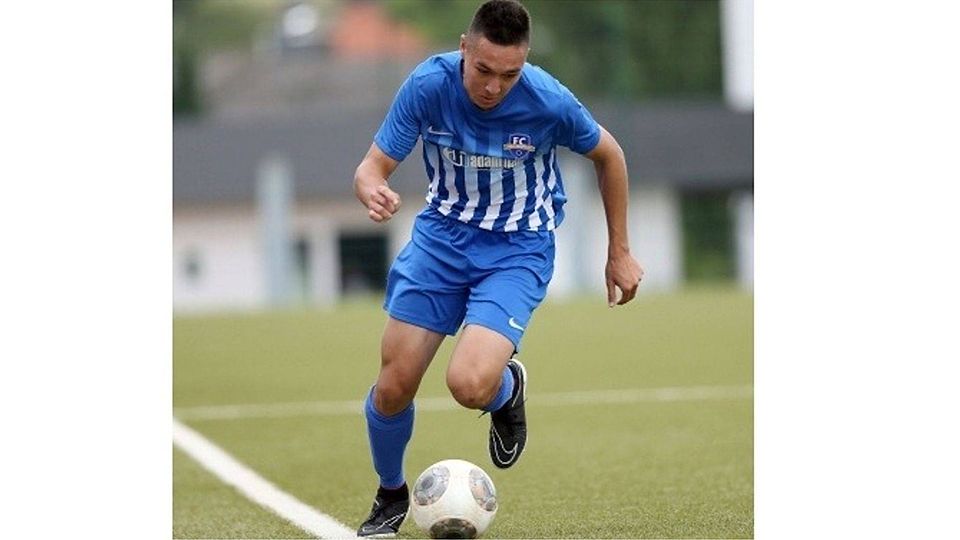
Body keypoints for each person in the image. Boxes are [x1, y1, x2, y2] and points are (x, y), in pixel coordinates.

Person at [352, 0, 643, 535]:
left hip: (516, 248)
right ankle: (391, 494)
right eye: (484, 70)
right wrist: (373, 189)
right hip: (441, 241)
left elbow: (610, 155)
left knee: (468, 384)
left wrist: (618, 250)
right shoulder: (427, 85)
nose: (493, 87)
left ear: (525, 63)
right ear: (464, 47)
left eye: (509, 74)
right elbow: (372, 168)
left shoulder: (548, 100)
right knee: (393, 387)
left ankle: (505, 389)